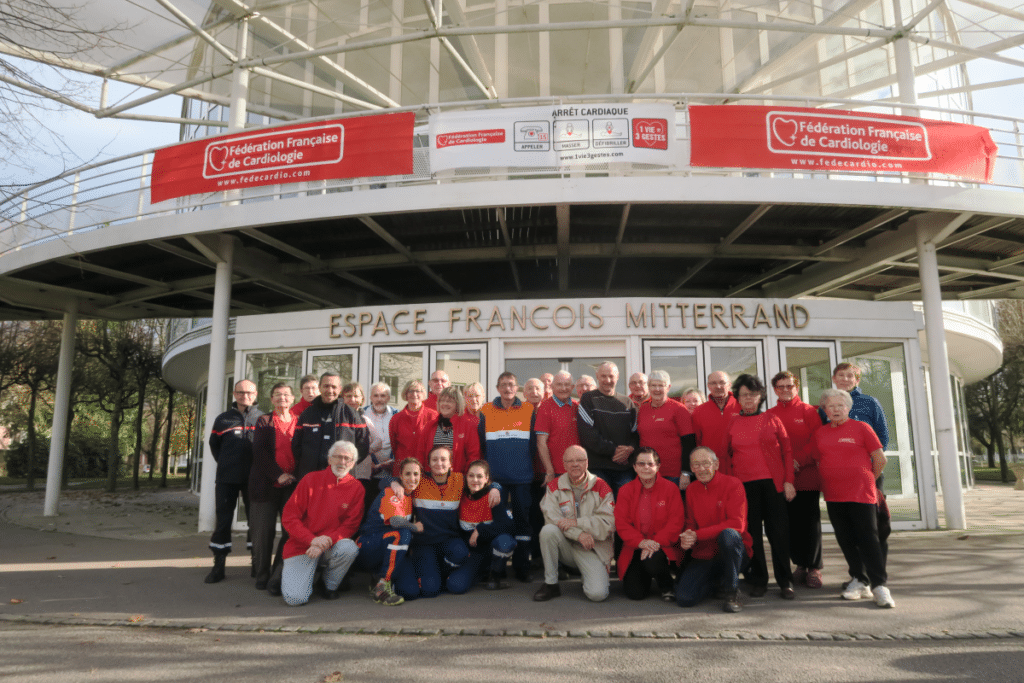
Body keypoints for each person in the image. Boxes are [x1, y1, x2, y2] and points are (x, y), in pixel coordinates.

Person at [815, 389, 894, 608]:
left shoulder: (862, 428)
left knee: (868, 538)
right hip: (833, 495)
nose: (836, 410)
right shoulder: (820, 433)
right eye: (831, 406)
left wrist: (868, 479)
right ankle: (859, 579)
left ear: (848, 408)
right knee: (846, 539)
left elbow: (880, 459)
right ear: (825, 410)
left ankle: (880, 586)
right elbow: (812, 456)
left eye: (840, 405)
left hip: (861, 494)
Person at [724, 374, 796, 599]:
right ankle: (759, 580)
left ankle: (785, 581)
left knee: (779, 535)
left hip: (773, 486)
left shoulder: (772, 419)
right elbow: (728, 456)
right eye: (743, 394)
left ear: (761, 397)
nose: (748, 398)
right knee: (752, 535)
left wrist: (789, 481)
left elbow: (787, 451)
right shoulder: (733, 423)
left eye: (752, 394)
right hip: (745, 487)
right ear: (737, 397)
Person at [280, 440, 363, 606]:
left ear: (353, 463)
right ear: (329, 459)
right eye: (338, 457)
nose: (343, 462)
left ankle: (327, 585)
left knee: (349, 548)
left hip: (330, 546)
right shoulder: (310, 480)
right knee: (295, 599)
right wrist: (312, 540)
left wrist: (324, 542)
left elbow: (350, 526)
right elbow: (289, 517)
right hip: (302, 546)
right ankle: (307, 576)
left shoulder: (357, 487)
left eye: (347, 459)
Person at [828, 362, 892, 567]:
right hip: (841, 479)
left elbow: (882, 437)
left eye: (850, 376)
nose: (845, 379)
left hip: (868, 475)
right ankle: (859, 574)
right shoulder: (828, 404)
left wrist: (869, 473)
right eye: (841, 375)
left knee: (872, 527)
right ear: (834, 379)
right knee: (848, 528)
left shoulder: (869, 403)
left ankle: (877, 575)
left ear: (857, 380)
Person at [676, 447, 754, 613]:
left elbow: (736, 524)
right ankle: (718, 582)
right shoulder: (691, 489)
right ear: (691, 468)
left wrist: (697, 535)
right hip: (705, 553)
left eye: (706, 463)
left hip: (734, 551)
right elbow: (690, 522)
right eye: (696, 465)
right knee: (685, 599)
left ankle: (731, 592)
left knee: (729, 534)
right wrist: (688, 536)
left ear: (716, 464)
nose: (702, 469)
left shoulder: (733, 484)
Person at [533, 445, 615, 602]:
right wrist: (579, 534)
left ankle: (588, 574)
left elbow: (608, 523)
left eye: (579, 460)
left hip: (593, 548)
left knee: (597, 595)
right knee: (548, 530)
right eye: (570, 461)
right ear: (564, 465)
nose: (575, 464)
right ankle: (551, 584)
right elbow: (552, 519)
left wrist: (577, 522)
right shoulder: (554, 486)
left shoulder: (601, 486)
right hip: (567, 545)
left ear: (587, 463)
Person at [768, 371, 825, 589]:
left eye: (789, 386)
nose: (785, 390)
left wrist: (796, 460)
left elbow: (817, 441)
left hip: (806, 476)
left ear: (797, 387)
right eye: (780, 387)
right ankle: (800, 565)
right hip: (782, 479)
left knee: (810, 523)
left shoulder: (810, 412)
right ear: (775, 390)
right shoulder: (770, 414)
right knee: (789, 524)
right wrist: (783, 465)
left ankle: (814, 568)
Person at [478, 372, 535, 581]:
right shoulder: (486, 410)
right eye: (503, 385)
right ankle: (496, 569)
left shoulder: (529, 409)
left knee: (523, 523)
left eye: (511, 384)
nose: (507, 388)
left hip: (522, 478)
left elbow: (533, 447)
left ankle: (522, 568)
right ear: (497, 388)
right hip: (496, 481)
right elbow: (482, 445)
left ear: (517, 387)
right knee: (497, 522)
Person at [205, 379, 263, 584]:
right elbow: (215, 447)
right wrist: (227, 464)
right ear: (234, 394)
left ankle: (257, 564)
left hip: (254, 479)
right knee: (223, 522)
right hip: (226, 479)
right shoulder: (222, 419)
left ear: (255, 394)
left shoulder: (263, 418)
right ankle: (218, 566)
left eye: (249, 392)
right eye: (240, 392)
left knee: (255, 522)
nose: (244, 396)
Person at [393, 446, 469, 599]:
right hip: (424, 542)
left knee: (460, 552)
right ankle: (425, 572)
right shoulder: (419, 481)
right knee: (430, 591)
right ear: (428, 464)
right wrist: (394, 483)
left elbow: (481, 483)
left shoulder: (459, 480)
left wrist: (495, 487)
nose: (439, 463)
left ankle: (439, 572)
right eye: (434, 460)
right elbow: (388, 481)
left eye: (443, 459)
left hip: (449, 540)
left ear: (451, 464)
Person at [614, 448, 684, 601]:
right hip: (635, 547)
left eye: (650, 464)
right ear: (634, 467)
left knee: (652, 560)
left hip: (662, 547)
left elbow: (676, 522)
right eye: (641, 463)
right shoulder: (625, 491)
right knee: (635, 594)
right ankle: (644, 576)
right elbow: (621, 523)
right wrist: (642, 542)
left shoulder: (670, 488)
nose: (646, 467)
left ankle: (666, 585)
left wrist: (654, 543)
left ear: (657, 467)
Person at [355, 457, 423, 607]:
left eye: (416, 474)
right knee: (403, 533)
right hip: (368, 546)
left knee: (410, 591)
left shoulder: (410, 495)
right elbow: (395, 521)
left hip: (389, 547)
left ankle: (377, 577)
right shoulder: (393, 492)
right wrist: (415, 527)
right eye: (408, 474)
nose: (412, 478)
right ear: (400, 475)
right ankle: (381, 585)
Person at [249, 382, 297, 590]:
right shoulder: (263, 421)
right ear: (271, 399)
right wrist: (278, 475)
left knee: (290, 531)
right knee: (263, 532)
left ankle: (278, 572)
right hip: (266, 484)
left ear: (293, 399)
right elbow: (260, 452)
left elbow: (304, 452)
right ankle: (262, 573)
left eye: (286, 395)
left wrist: (292, 476)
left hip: (292, 485)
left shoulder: (299, 422)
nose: (282, 398)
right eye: (277, 395)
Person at [448, 460, 517, 593]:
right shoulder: (460, 495)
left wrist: (480, 529)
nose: (475, 480)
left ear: (487, 479)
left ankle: (495, 575)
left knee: (505, 541)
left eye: (479, 476)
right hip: (473, 552)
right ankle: (481, 573)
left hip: (491, 549)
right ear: (466, 477)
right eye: (471, 476)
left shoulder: (493, 497)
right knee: (455, 586)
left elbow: (509, 526)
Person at [291, 372, 370, 481]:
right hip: (311, 478)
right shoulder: (307, 414)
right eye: (326, 386)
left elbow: (363, 445)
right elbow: (296, 446)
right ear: (319, 387)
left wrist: (346, 463)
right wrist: (309, 462)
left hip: (341, 478)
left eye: (334, 387)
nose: (330, 390)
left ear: (340, 389)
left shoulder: (352, 415)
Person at [577, 361, 637, 494]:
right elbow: (588, 434)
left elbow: (635, 433)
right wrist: (615, 451)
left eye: (611, 376)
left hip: (624, 468)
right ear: (597, 376)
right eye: (603, 376)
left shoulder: (627, 402)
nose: (607, 380)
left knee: (624, 509)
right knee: (602, 509)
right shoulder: (588, 399)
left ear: (618, 377)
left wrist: (630, 449)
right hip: (597, 467)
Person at [635, 370, 696, 489]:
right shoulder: (643, 408)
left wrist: (686, 472)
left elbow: (689, 443)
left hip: (673, 474)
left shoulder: (678, 409)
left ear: (668, 387)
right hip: (647, 472)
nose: (657, 389)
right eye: (653, 385)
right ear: (648, 387)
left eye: (661, 385)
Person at [416, 385, 480, 473]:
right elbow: (420, 454)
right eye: (442, 400)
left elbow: (473, 456)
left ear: (457, 404)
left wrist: (465, 478)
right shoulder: (430, 426)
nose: (445, 404)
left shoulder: (468, 426)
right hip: (431, 479)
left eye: (449, 401)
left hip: (457, 480)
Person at [388, 380, 437, 476]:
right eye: (410, 391)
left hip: (426, 468)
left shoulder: (433, 416)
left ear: (423, 395)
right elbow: (394, 445)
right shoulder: (396, 418)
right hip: (403, 469)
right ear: (405, 395)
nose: (414, 394)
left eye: (418, 391)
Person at [691, 371, 740, 468]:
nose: (718, 386)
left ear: (729, 384)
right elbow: (697, 442)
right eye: (713, 383)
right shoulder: (699, 412)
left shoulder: (741, 406)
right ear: (708, 386)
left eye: (722, 382)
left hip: (740, 465)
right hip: (710, 468)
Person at [362, 382, 399, 495]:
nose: (379, 399)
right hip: (369, 471)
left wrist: (391, 462)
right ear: (370, 397)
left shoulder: (396, 415)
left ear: (388, 397)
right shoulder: (362, 414)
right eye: (376, 395)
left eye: (383, 396)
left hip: (391, 472)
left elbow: (400, 441)